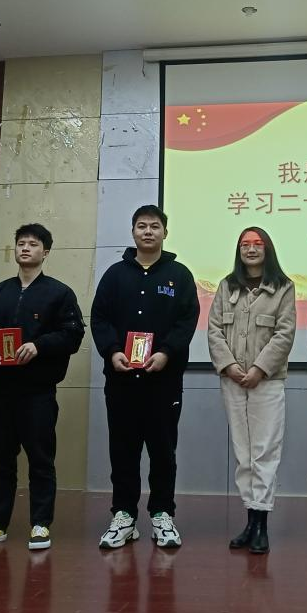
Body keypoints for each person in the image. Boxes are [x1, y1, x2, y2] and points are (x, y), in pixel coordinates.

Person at [0, 223, 84, 551]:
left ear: (46, 252)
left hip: (38, 391)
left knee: (41, 460)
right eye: (21, 243)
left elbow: (73, 335)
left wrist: (39, 346)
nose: (26, 248)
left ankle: (41, 524)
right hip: (1, 390)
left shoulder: (59, 293)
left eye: (33, 244)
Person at [91, 205, 200, 550]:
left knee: (163, 451)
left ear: (165, 232)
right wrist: (112, 351)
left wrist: (166, 352)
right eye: (142, 226)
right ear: (133, 231)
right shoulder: (114, 275)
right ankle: (124, 515)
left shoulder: (179, 275)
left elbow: (187, 320)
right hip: (121, 380)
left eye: (154, 226)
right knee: (123, 450)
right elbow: (99, 318)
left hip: (163, 382)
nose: (148, 231)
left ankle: (162, 514)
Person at [207, 227, 296, 554]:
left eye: (257, 244)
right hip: (233, 380)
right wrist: (229, 366)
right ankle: (249, 520)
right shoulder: (226, 285)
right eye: (245, 244)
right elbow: (214, 330)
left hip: (266, 381)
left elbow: (285, 333)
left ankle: (262, 524)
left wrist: (259, 368)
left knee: (264, 451)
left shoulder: (283, 287)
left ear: (267, 249)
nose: (251, 249)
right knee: (243, 452)